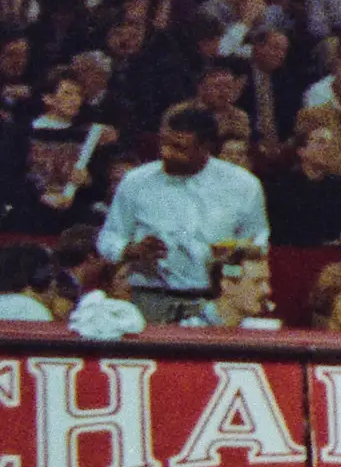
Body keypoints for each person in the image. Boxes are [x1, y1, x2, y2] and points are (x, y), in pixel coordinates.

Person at [98, 103, 271, 324]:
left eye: (179, 147)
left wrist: (228, 251)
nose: (166, 153)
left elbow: (258, 244)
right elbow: (108, 238)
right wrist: (129, 250)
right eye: (164, 143)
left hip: (214, 302)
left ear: (205, 146)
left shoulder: (243, 185)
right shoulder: (136, 182)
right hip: (148, 300)